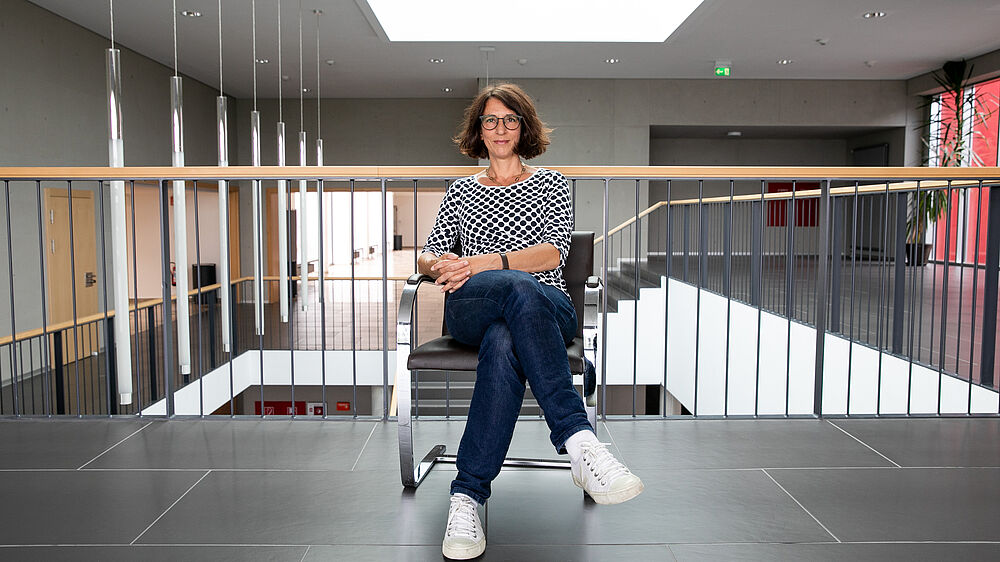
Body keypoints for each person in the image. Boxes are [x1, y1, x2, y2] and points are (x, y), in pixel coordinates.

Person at [418, 83, 644, 560]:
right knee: (512, 296)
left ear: (523, 128)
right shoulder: (460, 190)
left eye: (510, 120)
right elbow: (429, 253)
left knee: (508, 332)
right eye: (490, 120)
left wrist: (481, 262)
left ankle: (467, 496)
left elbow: (552, 253)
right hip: (473, 307)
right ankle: (578, 440)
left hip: (547, 304)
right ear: (479, 130)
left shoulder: (551, 183)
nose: (500, 129)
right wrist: (440, 264)